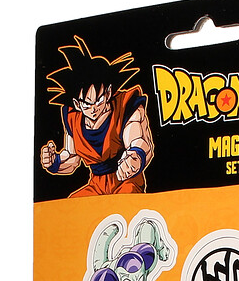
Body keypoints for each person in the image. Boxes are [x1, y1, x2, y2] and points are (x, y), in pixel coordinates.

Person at [40, 36, 155, 197]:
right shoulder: (72, 118)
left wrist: (135, 157)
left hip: (126, 181)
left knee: (123, 205)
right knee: (72, 204)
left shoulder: (125, 107)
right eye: (87, 104)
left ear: (108, 93)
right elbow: (71, 157)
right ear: (77, 103)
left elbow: (140, 141)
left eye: (99, 100)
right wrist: (54, 162)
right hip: (96, 185)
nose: (94, 109)